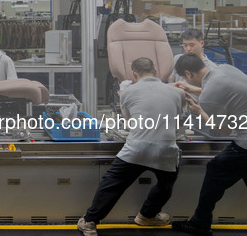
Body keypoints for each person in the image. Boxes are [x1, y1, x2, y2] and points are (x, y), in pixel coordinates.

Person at [78, 57, 185, 236]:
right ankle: (147, 216)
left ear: (134, 74)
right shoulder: (175, 93)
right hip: (166, 149)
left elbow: (128, 120)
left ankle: (90, 221)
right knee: (166, 183)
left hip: (137, 148)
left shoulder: (128, 92)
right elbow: (176, 119)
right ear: (156, 72)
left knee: (112, 184)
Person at [171, 54, 247, 236]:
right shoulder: (224, 69)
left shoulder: (208, 95)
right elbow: (221, 91)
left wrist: (199, 111)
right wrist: (191, 88)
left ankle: (200, 223)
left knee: (216, 168)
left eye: (183, 77)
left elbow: (225, 130)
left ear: (188, 73)